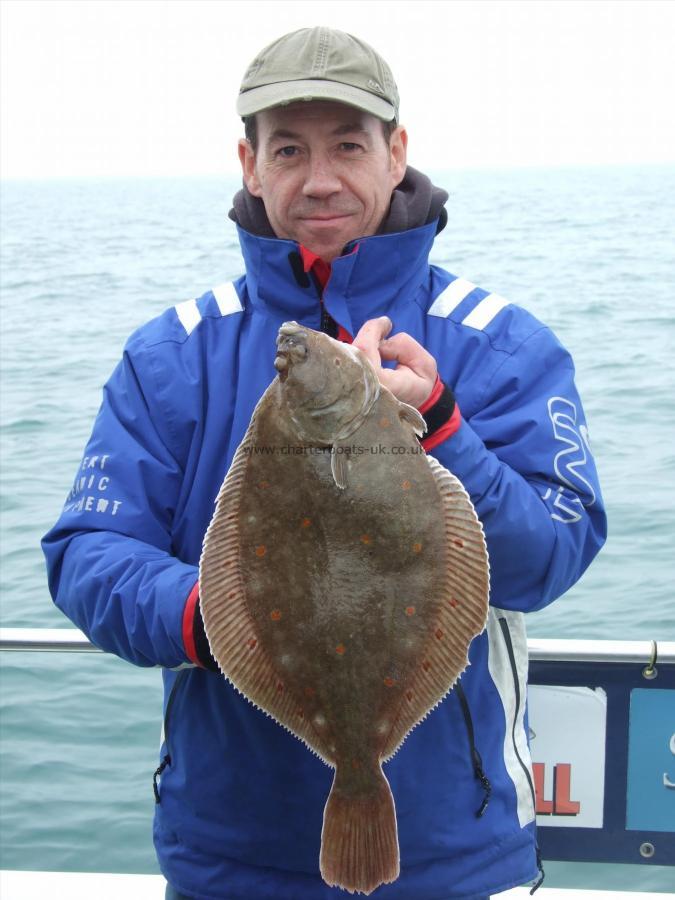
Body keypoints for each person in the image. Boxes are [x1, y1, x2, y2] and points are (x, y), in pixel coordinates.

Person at [42, 26, 606, 900]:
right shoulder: (170, 356)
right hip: (229, 859)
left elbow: (548, 559)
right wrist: (219, 622)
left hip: (455, 859)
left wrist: (446, 426)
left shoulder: (498, 344)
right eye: (288, 150)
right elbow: (85, 554)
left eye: (348, 145)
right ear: (249, 164)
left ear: (396, 154)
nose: (320, 179)